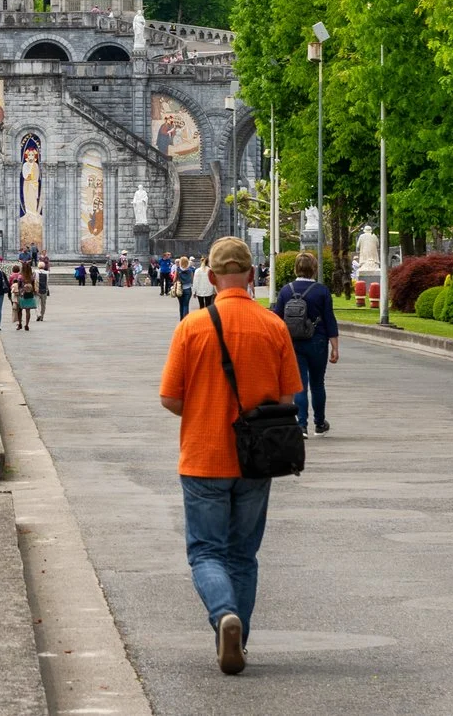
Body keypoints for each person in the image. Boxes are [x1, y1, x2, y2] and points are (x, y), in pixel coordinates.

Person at [158, 236, 301, 676]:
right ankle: (241, 638)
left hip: (204, 454)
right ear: (252, 274)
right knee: (243, 555)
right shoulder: (273, 325)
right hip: (257, 459)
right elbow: (288, 396)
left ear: (213, 277)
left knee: (206, 553)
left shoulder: (192, 327)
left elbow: (170, 398)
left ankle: (224, 617)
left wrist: (203, 406)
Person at [272, 254, 340, 434]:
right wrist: (335, 346)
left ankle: (301, 425)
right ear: (314, 268)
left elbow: (277, 319)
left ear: (296, 268)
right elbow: (329, 320)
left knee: (300, 384)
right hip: (317, 341)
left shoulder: (286, 290)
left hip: (293, 341)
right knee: (318, 383)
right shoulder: (322, 291)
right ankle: (319, 423)